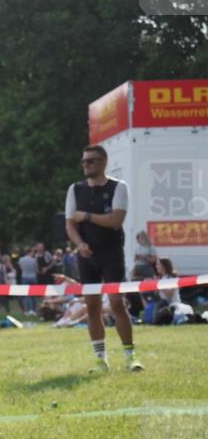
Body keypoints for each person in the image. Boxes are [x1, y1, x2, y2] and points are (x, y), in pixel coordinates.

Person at [65, 144, 143, 372]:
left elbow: (115, 221)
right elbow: (70, 224)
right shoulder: (75, 189)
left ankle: (130, 355)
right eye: (83, 161)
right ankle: (100, 359)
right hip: (86, 254)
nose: (85, 165)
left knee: (118, 303)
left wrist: (87, 216)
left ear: (103, 162)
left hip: (111, 253)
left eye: (90, 161)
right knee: (92, 307)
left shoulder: (119, 187)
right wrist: (80, 245)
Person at [17, 248, 39, 315]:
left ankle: (29, 310)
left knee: (27, 294)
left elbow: (20, 268)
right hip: (33, 277)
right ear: (30, 252)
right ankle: (34, 310)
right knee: (33, 294)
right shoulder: (34, 260)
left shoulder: (21, 259)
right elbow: (36, 269)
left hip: (25, 277)